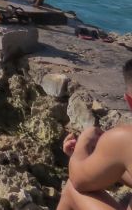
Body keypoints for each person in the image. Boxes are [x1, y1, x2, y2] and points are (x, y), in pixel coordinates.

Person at [57, 58, 132, 209]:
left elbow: (78, 180)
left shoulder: (124, 138)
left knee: (72, 189)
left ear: (129, 100)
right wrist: (103, 156)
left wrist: (81, 148)